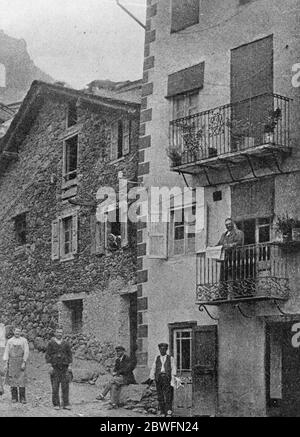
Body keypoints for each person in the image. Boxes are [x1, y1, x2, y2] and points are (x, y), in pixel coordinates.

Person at [45, 328, 72, 410]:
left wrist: (70, 366)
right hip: (55, 367)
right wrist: (50, 366)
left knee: (65, 386)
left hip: (64, 367)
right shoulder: (51, 343)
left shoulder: (66, 343)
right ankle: (56, 404)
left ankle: (65, 403)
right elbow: (48, 355)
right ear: (55, 333)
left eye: (61, 332)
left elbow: (69, 355)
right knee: (55, 386)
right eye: (58, 332)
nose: (59, 334)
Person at [217, 218, 245, 297]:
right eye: (227, 225)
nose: (228, 226)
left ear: (233, 224)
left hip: (236, 258)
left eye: (230, 224)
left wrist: (229, 246)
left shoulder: (239, 233)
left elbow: (239, 242)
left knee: (236, 276)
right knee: (223, 277)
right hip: (225, 259)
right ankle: (222, 294)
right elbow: (219, 244)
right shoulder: (224, 235)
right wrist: (212, 248)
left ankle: (238, 293)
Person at [149, 343, 176, 417]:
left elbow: (173, 369)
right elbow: (153, 368)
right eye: (161, 349)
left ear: (166, 349)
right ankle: (162, 412)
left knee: (168, 397)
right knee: (160, 396)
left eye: (164, 349)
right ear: (159, 349)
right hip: (159, 378)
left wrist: (172, 380)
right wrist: (152, 378)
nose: (162, 350)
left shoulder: (170, 358)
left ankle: (169, 413)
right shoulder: (157, 358)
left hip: (167, 378)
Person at [3, 327, 29, 404]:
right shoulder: (10, 341)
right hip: (12, 362)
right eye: (16, 331)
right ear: (14, 331)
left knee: (21, 380)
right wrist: (6, 363)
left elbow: (26, 352)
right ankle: (14, 397)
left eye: (19, 331)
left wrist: (24, 362)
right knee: (13, 380)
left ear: (21, 332)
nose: (17, 333)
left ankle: (22, 398)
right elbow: (6, 352)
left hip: (20, 361)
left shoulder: (24, 340)